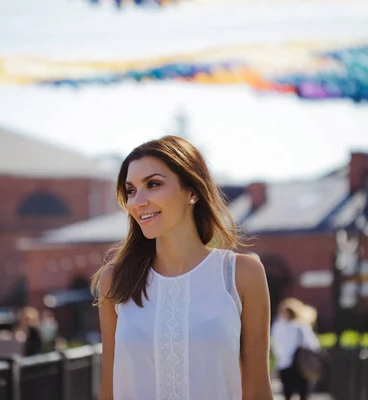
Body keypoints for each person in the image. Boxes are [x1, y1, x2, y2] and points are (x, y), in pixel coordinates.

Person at [91, 135, 273, 400]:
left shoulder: (242, 274)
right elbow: (109, 389)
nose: (138, 201)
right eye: (131, 190)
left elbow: (257, 389)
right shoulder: (115, 280)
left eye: (153, 184)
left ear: (192, 191)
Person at [270, 298, 321, 400]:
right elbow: (313, 344)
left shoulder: (278, 326)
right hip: (299, 364)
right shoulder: (301, 326)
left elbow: (274, 345)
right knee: (302, 393)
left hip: (287, 364)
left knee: (288, 393)